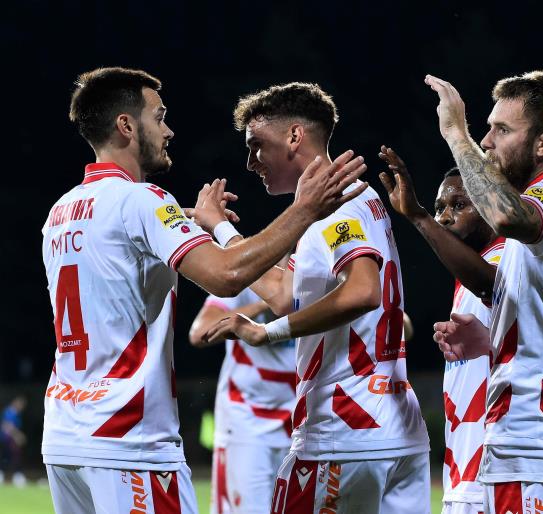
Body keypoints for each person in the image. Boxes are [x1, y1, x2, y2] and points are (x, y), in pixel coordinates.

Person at [41, 67, 367, 514]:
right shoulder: (144, 200)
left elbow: (122, 245)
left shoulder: (61, 212)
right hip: (127, 439)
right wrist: (306, 209)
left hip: (65, 435)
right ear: (126, 125)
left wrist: (191, 222)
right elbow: (226, 275)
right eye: (159, 117)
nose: (168, 131)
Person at [200, 82, 431, 514]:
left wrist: (267, 333)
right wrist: (220, 229)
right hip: (395, 431)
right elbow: (284, 294)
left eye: (256, 145)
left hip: (344, 429)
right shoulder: (338, 203)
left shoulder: (338, 204)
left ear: (294, 136)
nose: (251, 162)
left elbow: (363, 291)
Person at [427, 71, 543, 514]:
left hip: (540, 434)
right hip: (537, 439)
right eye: (486, 128)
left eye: (502, 130)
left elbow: (508, 217)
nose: (486, 141)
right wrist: (491, 339)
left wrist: (456, 134)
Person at [378, 148, 503, 514]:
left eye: (459, 205)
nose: (445, 216)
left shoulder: (502, 258)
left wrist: (418, 216)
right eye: (439, 208)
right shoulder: (467, 278)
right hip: (466, 468)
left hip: (489, 470)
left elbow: (491, 283)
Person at [189, 276, 296, 514]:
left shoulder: (311, 278)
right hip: (247, 420)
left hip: (299, 420)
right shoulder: (246, 283)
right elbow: (199, 332)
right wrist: (266, 304)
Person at [0, 395, 28, 487]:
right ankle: (5, 475)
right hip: (6, 439)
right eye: (21, 405)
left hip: (11, 439)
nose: (21, 407)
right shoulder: (9, 412)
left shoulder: (17, 414)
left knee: (15, 457)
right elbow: (7, 426)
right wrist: (17, 436)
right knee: (6, 457)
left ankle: (17, 475)